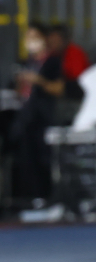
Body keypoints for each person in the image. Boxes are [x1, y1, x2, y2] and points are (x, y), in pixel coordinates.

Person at [13, 22, 65, 200]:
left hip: (43, 117)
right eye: (28, 37)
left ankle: (45, 198)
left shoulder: (53, 61)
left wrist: (39, 81)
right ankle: (28, 198)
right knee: (25, 160)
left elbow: (58, 88)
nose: (31, 41)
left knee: (43, 159)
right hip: (26, 118)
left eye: (35, 37)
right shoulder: (28, 62)